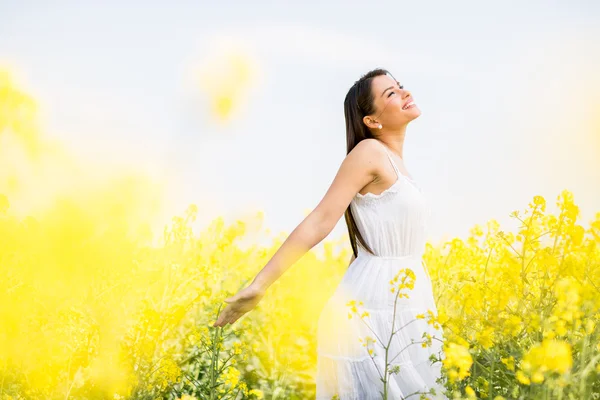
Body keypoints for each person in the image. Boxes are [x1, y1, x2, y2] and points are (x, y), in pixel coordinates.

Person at [213, 68, 447, 399]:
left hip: (405, 299)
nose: (404, 93)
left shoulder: (397, 163)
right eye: (391, 94)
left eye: (401, 87)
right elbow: (320, 220)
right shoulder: (369, 153)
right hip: (371, 309)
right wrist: (258, 286)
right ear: (372, 121)